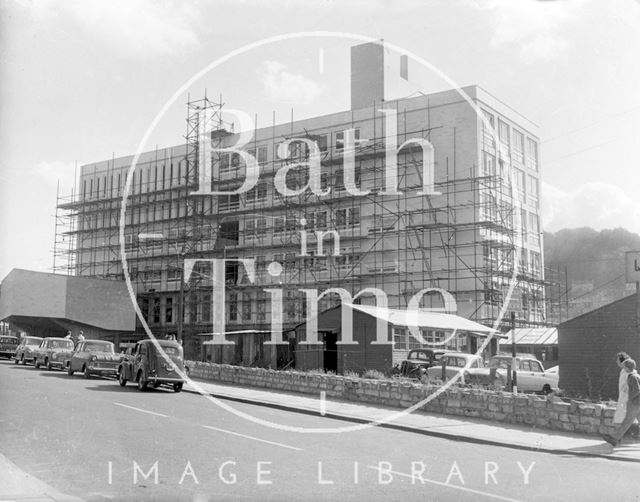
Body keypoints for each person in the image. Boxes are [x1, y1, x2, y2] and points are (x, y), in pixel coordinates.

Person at [603, 359, 640, 446]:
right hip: (638, 402)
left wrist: (630, 398)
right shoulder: (637, 375)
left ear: (627, 368)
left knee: (627, 421)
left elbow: (637, 390)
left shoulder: (632, 377)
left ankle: (614, 438)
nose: (623, 369)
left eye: (624, 367)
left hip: (635, 403)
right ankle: (614, 438)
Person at [614, 352, 630, 425]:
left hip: (627, 398)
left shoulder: (628, 371)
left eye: (618, 360)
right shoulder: (623, 371)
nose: (616, 362)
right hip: (623, 397)